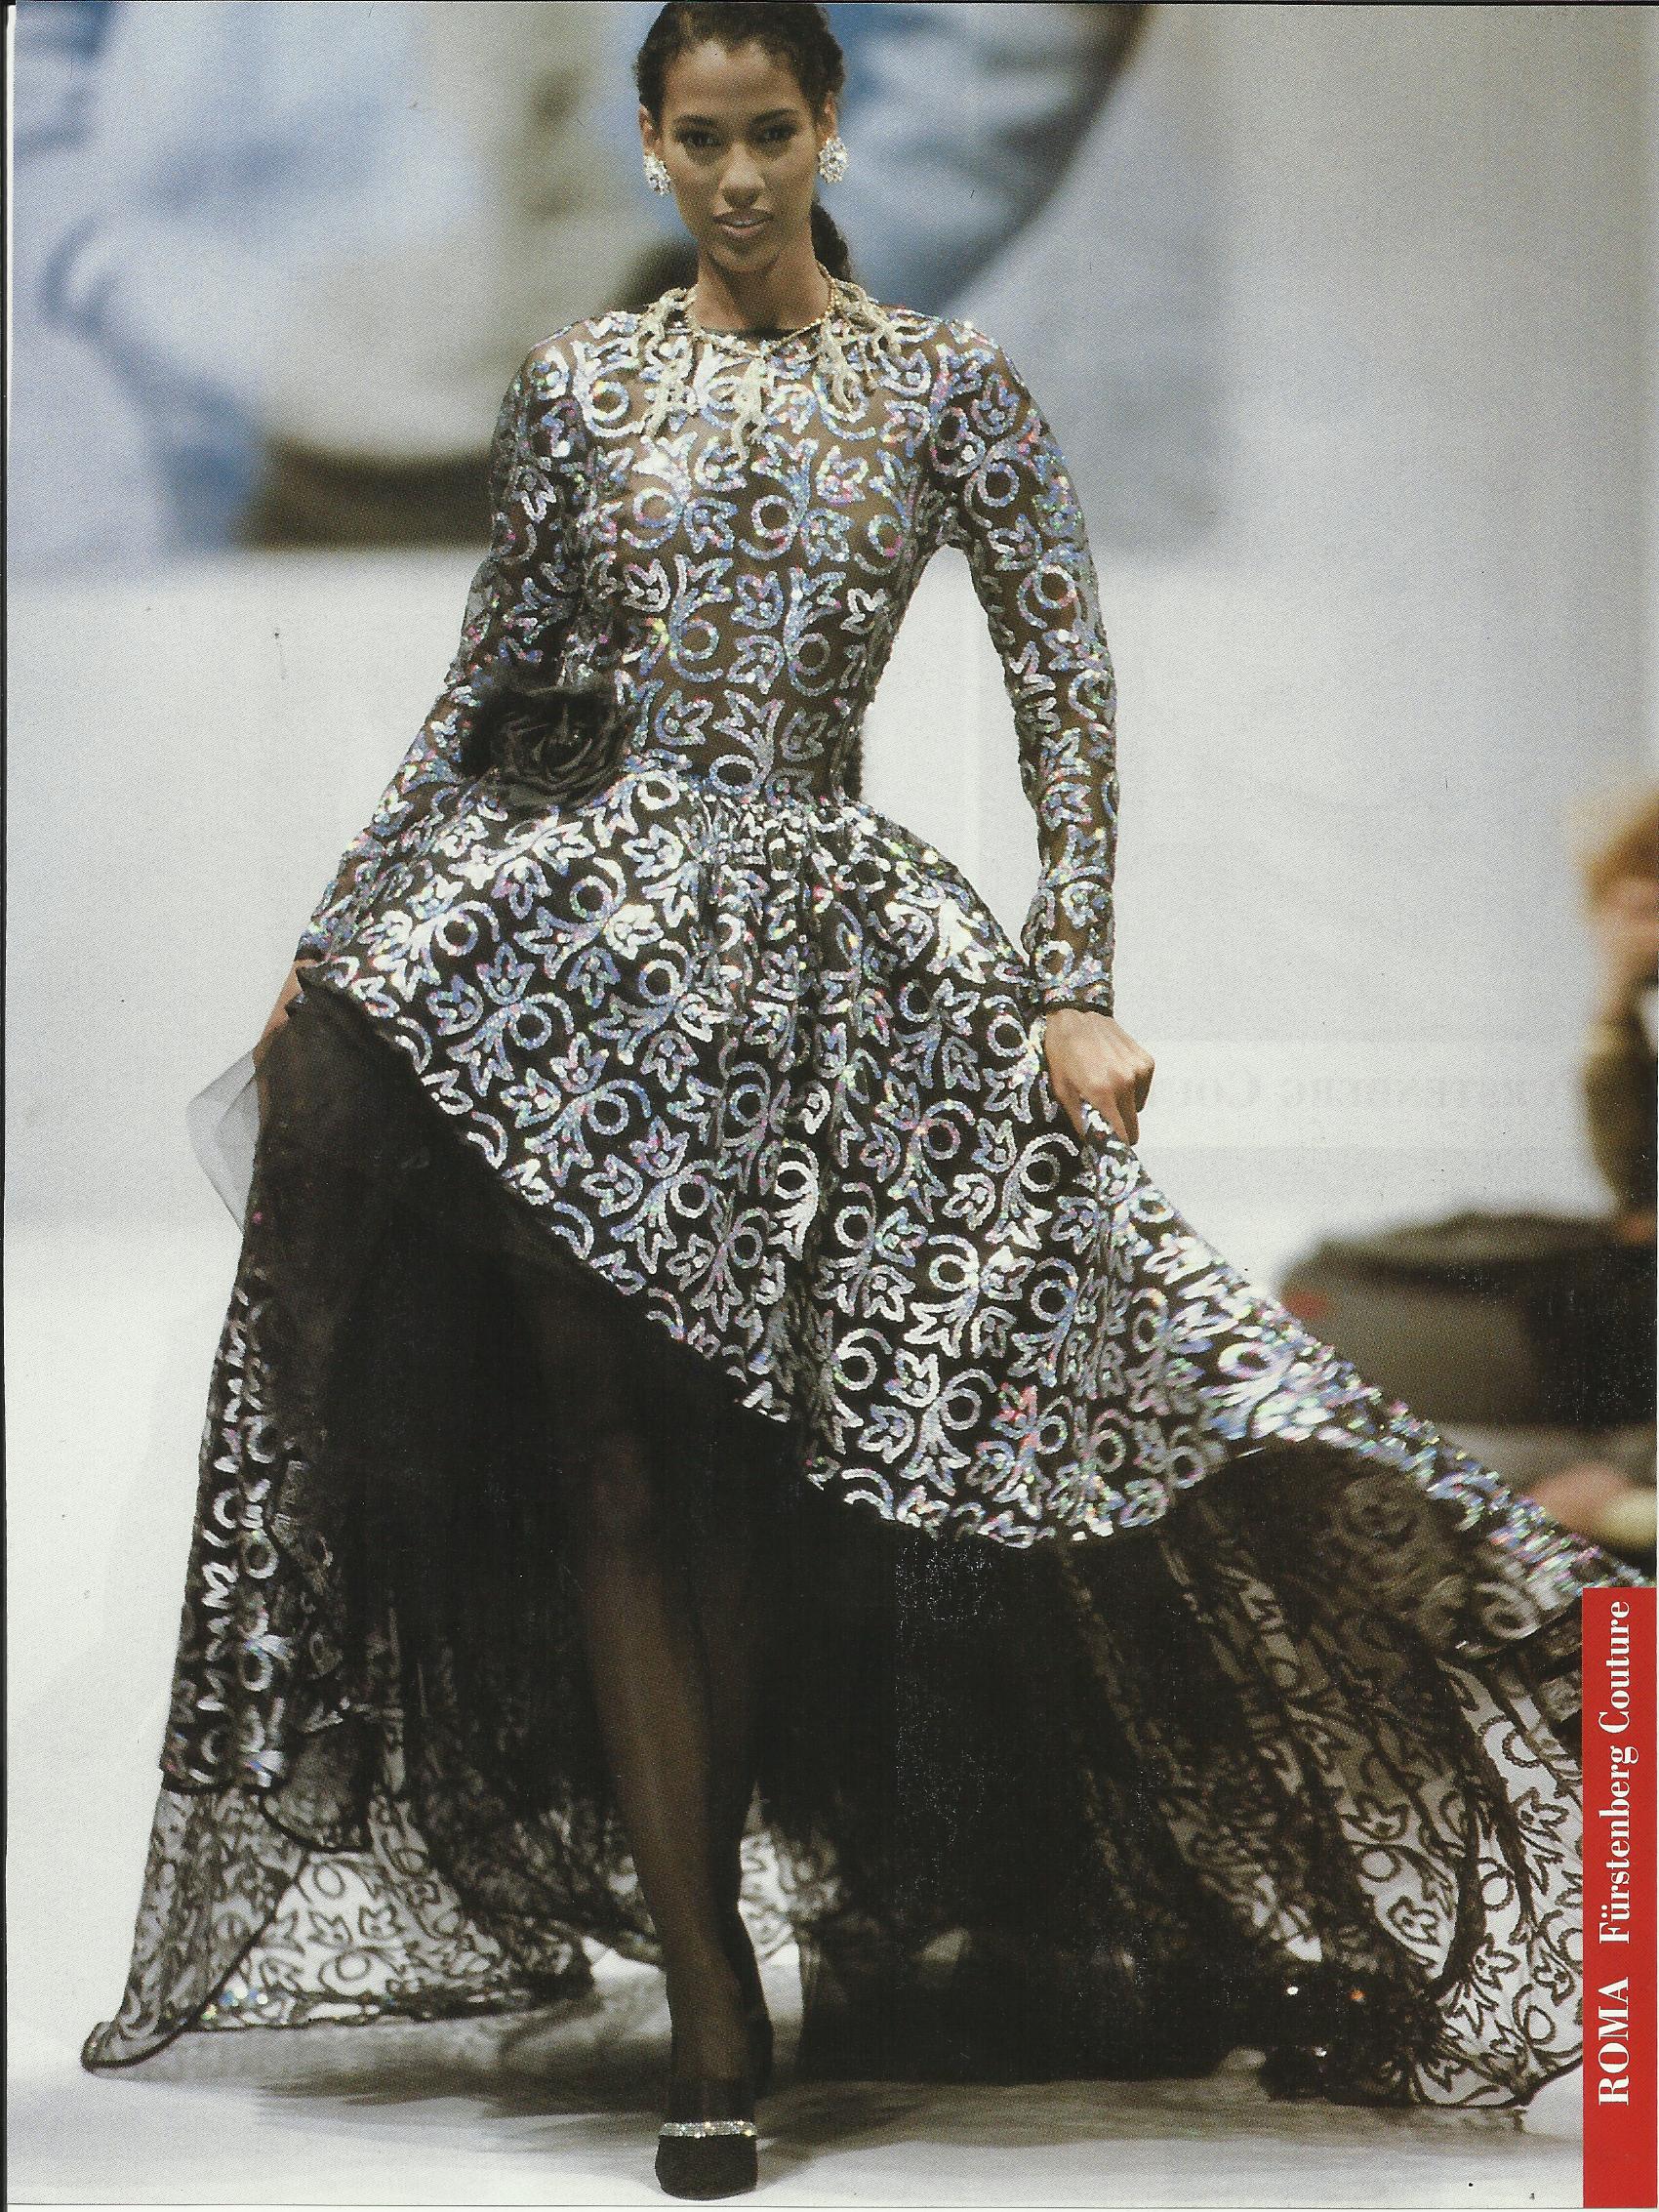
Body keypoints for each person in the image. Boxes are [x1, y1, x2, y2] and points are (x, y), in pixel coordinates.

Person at [84, 5, 1642, 2200]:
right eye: (699, 138)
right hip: (586, 968)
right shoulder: (580, 387)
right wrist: (341, 923)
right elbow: (495, 688)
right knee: (618, 1462)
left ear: (828, 129)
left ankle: (794, 1918)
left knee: (782, 1461)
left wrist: (1073, 983)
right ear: (648, 145)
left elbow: (1062, 684)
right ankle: (708, 1985)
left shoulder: (943, 386)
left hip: (826, 974)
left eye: (771, 133)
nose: (738, 177)